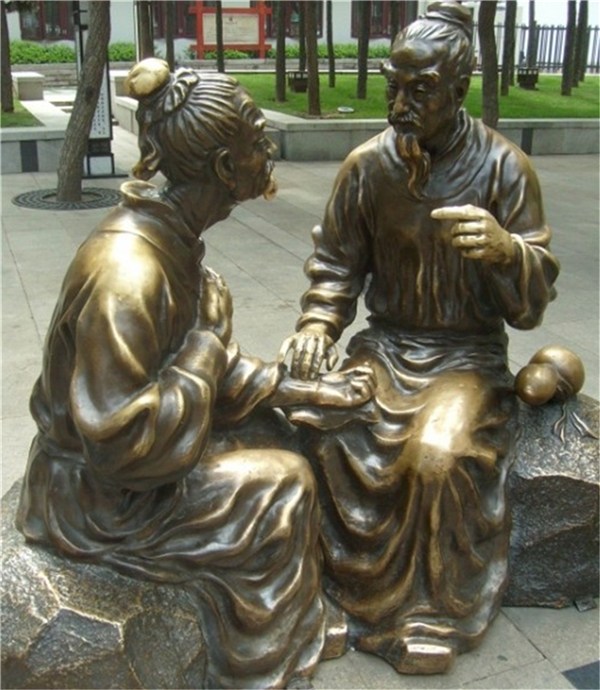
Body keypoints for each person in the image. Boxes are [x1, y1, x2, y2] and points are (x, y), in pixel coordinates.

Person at [16, 59, 374, 689]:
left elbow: (194, 370)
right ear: (225, 168)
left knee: (282, 431)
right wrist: (208, 343)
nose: (269, 151)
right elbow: (123, 443)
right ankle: (255, 661)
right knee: (284, 483)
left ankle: (280, 617)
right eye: (258, 140)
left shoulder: (173, 240)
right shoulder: (130, 273)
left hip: (133, 463)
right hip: (99, 498)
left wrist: (302, 389)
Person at [280, 1, 560, 675]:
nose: (400, 104)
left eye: (421, 89)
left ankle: (432, 612)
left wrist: (506, 251)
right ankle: (329, 598)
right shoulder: (367, 167)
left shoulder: (505, 168)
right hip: (385, 349)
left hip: (465, 359)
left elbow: (530, 307)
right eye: (394, 85)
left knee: (437, 458)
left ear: (458, 89)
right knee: (317, 428)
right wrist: (317, 325)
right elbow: (336, 265)